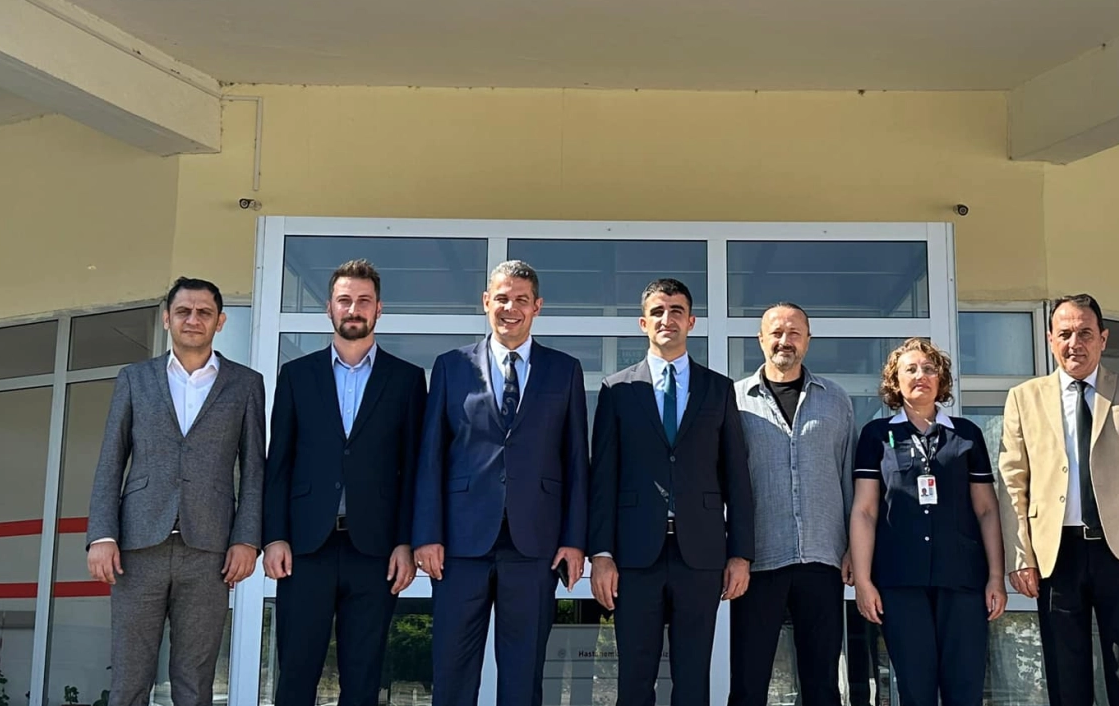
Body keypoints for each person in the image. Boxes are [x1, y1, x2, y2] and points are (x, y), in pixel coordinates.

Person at [413, 260, 589, 706]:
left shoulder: (564, 370)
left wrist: (574, 540)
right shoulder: (451, 366)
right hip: (460, 544)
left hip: (535, 545)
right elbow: (431, 456)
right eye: (503, 298)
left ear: (537, 307)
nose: (511, 308)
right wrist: (427, 534)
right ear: (486, 302)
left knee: (523, 676)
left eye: (521, 300)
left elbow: (575, 461)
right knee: (452, 673)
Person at [86, 277, 265, 706]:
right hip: (138, 547)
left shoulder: (245, 384)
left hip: (209, 551)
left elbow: (254, 469)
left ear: (220, 322)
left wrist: (247, 539)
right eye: (183, 311)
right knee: (129, 677)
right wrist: (102, 535)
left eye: (204, 312)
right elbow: (111, 459)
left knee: (195, 681)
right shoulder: (135, 378)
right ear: (167, 318)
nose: (193, 319)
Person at [262, 259, 427, 706]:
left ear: (379, 309)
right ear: (329, 308)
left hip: (375, 551)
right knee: (296, 675)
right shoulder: (297, 376)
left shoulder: (407, 380)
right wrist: (274, 536)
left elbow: (413, 469)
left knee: (363, 678)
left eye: (363, 301)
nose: (354, 309)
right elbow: (279, 463)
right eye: (344, 300)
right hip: (305, 549)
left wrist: (405, 542)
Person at [999, 293, 1119, 706]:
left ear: (1103, 339)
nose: (1074, 343)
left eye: (1085, 333)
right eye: (1064, 334)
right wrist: (1021, 557)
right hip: (1055, 553)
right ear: (1050, 339)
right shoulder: (1024, 397)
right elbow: (1012, 482)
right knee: (1066, 677)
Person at [588, 278, 755, 706]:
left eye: (677, 311)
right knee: (634, 678)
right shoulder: (616, 389)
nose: (668, 319)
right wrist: (601, 554)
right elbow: (603, 477)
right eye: (658, 312)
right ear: (643, 323)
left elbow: (736, 477)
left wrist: (741, 554)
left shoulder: (718, 389)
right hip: (634, 555)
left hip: (700, 555)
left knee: (693, 678)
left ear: (691, 321)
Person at [850, 339, 1005, 706]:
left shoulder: (966, 434)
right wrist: (863, 581)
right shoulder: (876, 436)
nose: (921, 375)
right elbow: (865, 511)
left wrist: (996, 576)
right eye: (911, 369)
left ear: (941, 379)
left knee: (964, 689)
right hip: (900, 581)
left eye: (929, 369)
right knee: (915, 690)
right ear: (895, 381)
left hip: (962, 579)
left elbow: (986, 509)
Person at [729, 302, 855, 706]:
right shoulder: (734, 401)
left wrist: (854, 548)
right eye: (777, 333)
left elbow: (848, 478)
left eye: (794, 332)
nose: (785, 340)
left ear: (808, 340)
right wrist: (732, 552)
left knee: (822, 684)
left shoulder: (836, 400)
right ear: (761, 340)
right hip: (757, 559)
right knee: (748, 683)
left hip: (823, 557)